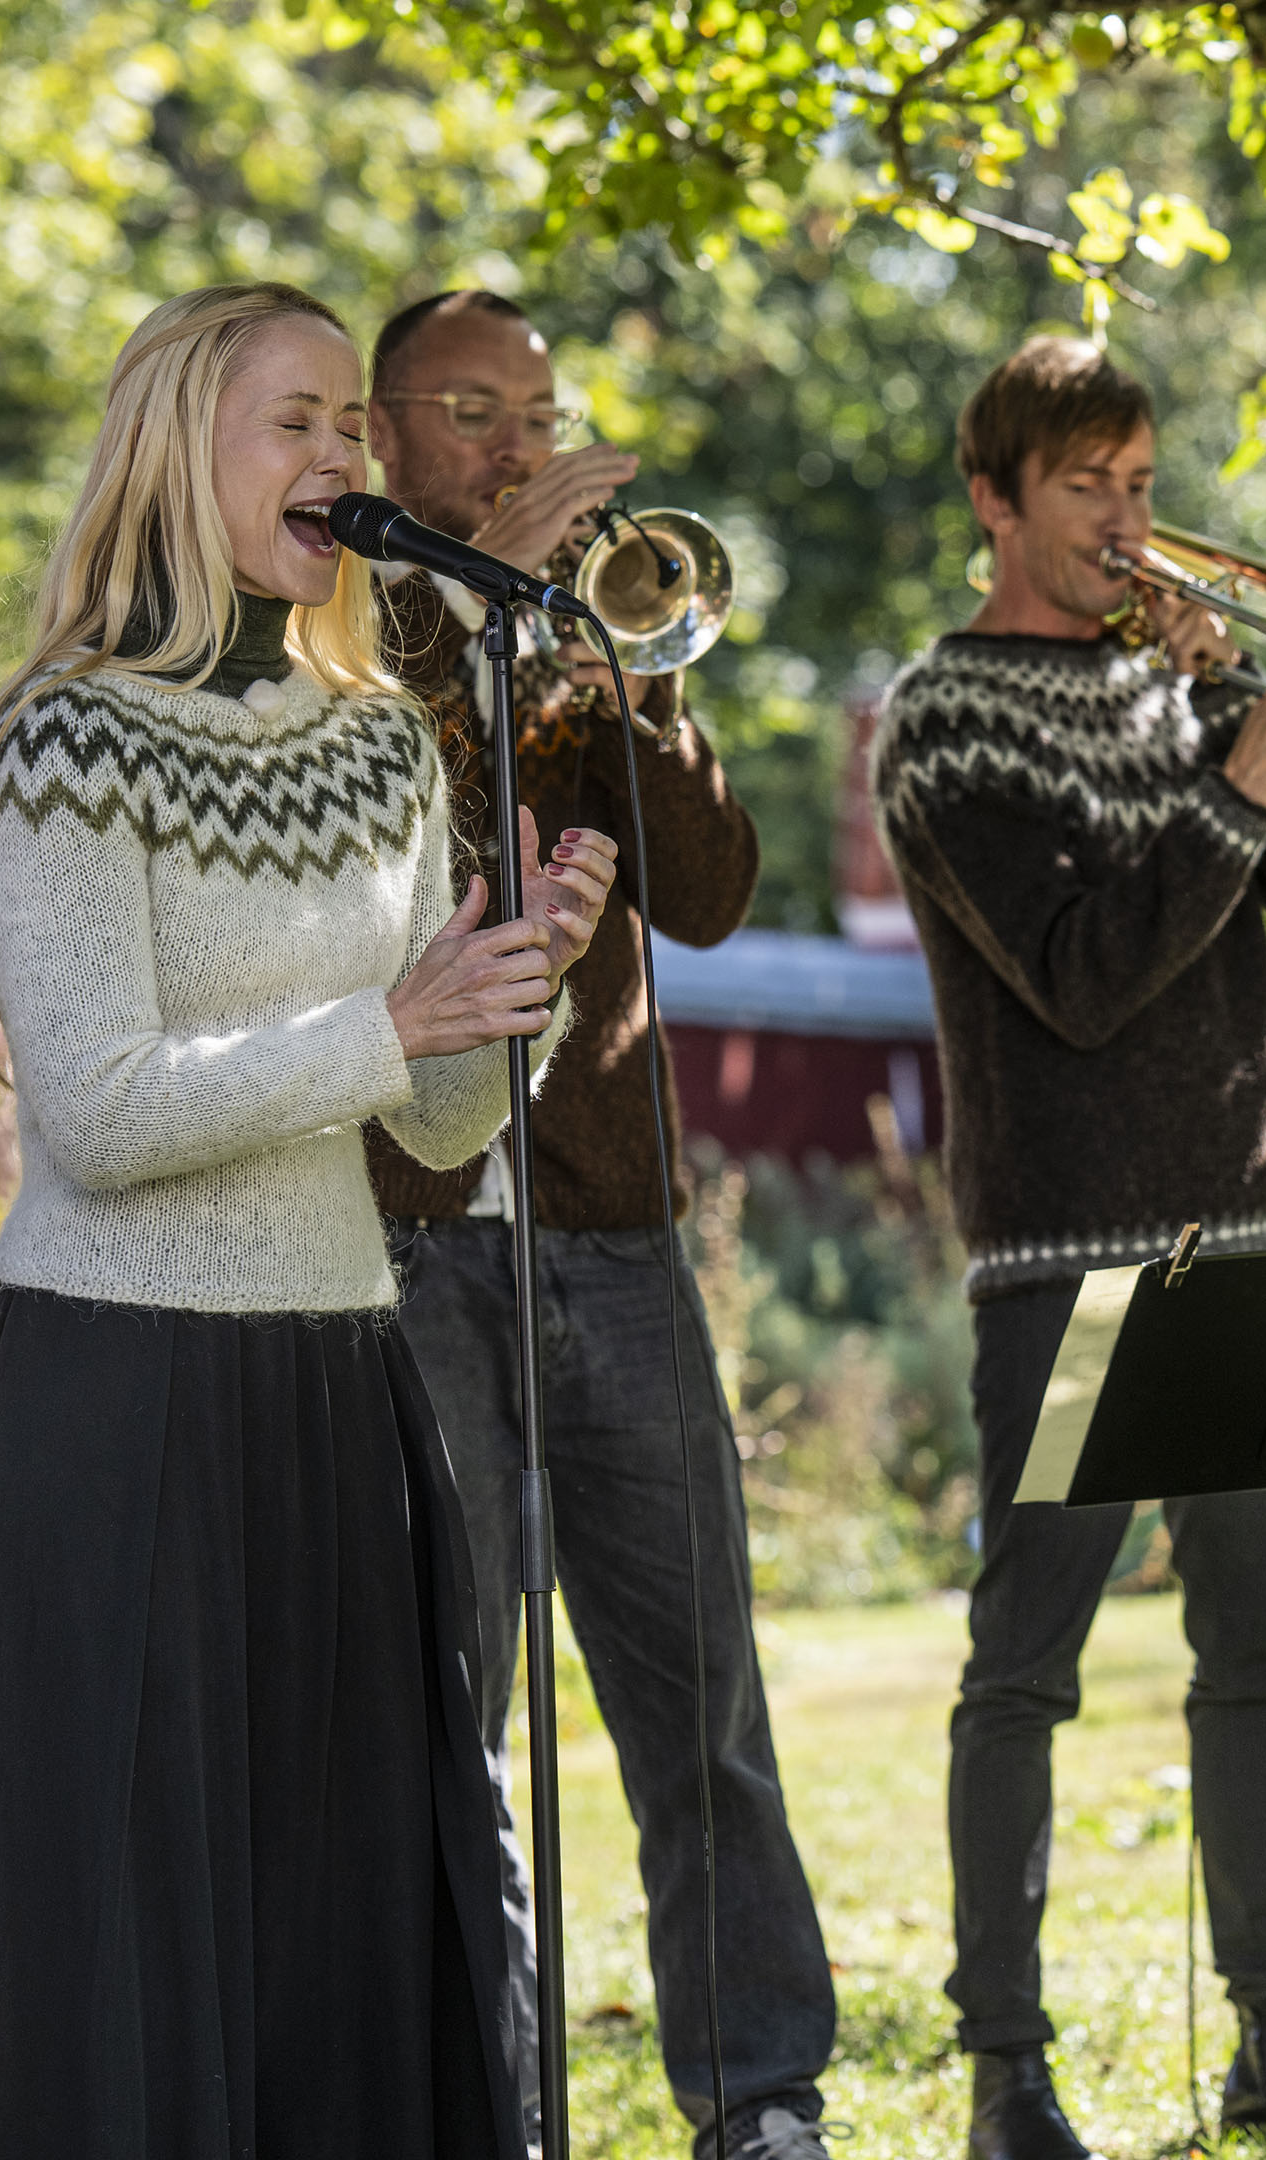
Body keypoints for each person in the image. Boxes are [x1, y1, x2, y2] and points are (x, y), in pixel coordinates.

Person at [0, 279, 617, 2157]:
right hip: (118, 1406)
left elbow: (443, 1123)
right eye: (294, 420)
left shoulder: (385, 745)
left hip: (338, 1390)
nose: (340, 457)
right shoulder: (65, 742)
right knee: (134, 1946)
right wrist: (389, 1017)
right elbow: (105, 1113)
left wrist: (506, 992)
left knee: (351, 1932)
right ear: (176, 450)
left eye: (349, 429)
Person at [873, 334, 1266, 2160]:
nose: (1125, 520)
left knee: (1262, 1649)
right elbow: (1086, 983)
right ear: (996, 499)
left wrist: (1254, 709)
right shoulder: (943, 716)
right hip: (1070, 1259)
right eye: (1086, 484)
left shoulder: (1187, 695)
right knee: (1028, 1662)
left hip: (1254, 1234)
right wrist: (1232, 781)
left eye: (1143, 483)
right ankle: (1007, 2080)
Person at [357, 287, 835, 2160]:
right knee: (451, 1703)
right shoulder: (350, 630)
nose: (517, 446)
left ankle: (762, 2099)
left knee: (697, 1687)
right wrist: (469, 598)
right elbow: (385, 845)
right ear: (385, 432)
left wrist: (642, 688)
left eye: (538, 411)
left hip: (611, 1224)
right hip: (405, 1223)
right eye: (471, 409)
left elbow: (710, 893)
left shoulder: (589, 625)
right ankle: (487, 2103)